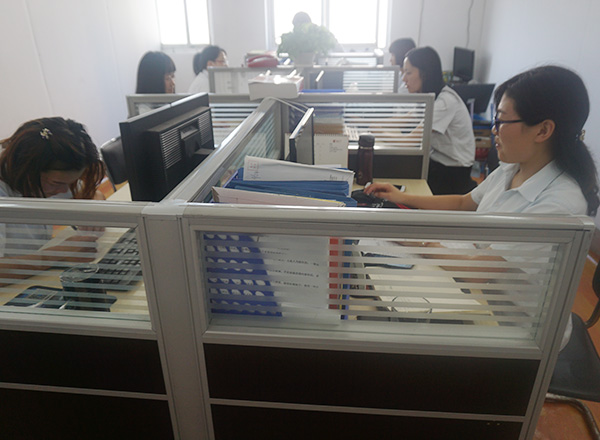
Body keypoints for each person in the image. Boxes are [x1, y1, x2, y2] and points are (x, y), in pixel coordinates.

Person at [0, 117, 106, 283]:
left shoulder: (44, 174)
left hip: (30, 277)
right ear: (27, 169)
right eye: (57, 183)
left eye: (70, 182)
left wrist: (95, 207)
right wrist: (59, 254)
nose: (64, 191)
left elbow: (93, 194)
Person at [402, 46, 476, 195]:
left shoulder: (444, 102)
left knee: (404, 190)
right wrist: (370, 124)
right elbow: (404, 119)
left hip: (452, 175)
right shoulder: (428, 97)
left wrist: (376, 132)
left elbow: (409, 141)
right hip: (436, 165)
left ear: (425, 74)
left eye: (408, 72)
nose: (404, 78)